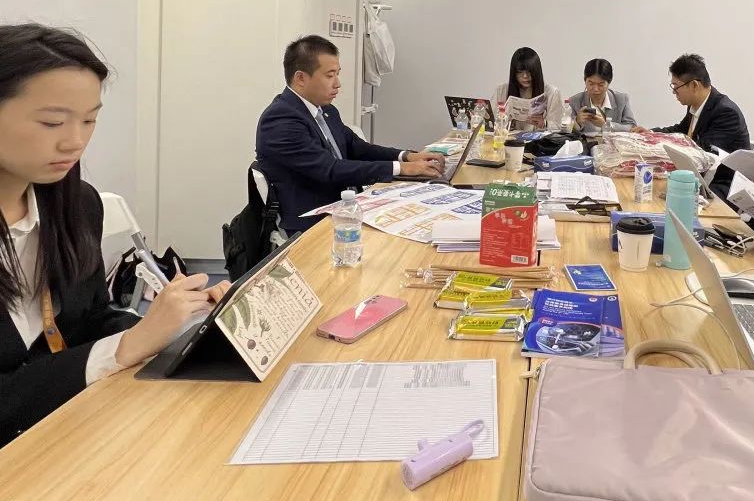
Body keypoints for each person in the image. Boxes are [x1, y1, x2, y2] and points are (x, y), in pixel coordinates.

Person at [0, 24, 230, 447]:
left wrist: (186, 327)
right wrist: (127, 346)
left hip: (70, 428)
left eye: (90, 120)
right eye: (52, 122)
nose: (75, 142)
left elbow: (87, 319)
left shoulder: (77, 204)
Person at [256, 36, 444, 234]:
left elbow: (356, 147)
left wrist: (406, 156)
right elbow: (329, 169)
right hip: (314, 221)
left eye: (337, 74)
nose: (337, 84)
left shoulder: (326, 110)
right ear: (301, 78)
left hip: (347, 206)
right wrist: (401, 168)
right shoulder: (280, 120)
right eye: (329, 76)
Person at [635, 53, 750, 195]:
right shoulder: (696, 104)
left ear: (694, 85)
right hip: (700, 175)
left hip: (724, 184)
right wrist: (651, 134)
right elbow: (681, 130)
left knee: (662, 192)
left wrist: (660, 144)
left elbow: (701, 152)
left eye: (676, 86)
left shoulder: (725, 112)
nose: (674, 92)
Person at [492, 47, 563, 131]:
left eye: (529, 71)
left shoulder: (552, 92)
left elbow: (558, 126)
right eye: (520, 72)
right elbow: (491, 122)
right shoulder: (501, 90)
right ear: (514, 73)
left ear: (536, 71)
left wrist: (545, 123)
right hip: (508, 137)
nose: (525, 76)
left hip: (538, 138)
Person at [567, 59, 637, 136]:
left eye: (601, 84)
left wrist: (606, 125)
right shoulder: (574, 101)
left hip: (613, 143)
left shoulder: (621, 99)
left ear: (609, 82)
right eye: (591, 84)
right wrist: (577, 122)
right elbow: (564, 130)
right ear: (585, 80)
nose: (595, 89)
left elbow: (632, 127)